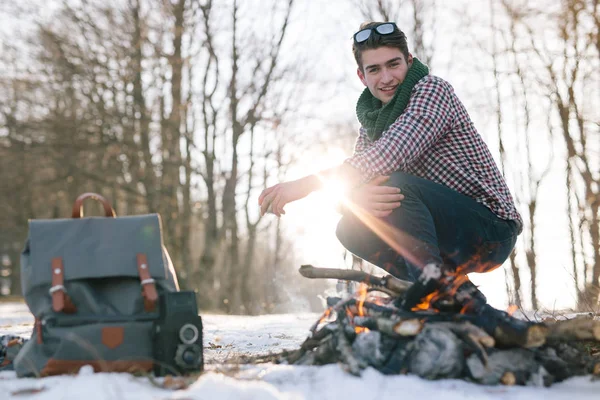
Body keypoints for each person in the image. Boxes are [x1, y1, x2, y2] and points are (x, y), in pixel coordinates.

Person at [258, 21, 522, 312]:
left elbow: (391, 153)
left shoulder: (432, 91)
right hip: (441, 229)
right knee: (352, 227)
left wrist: (306, 185)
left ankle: (429, 288)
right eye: (374, 69)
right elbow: (357, 186)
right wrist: (354, 200)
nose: (386, 78)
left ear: (409, 61)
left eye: (393, 64)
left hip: (490, 229)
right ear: (362, 76)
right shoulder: (372, 124)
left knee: (393, 184)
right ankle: (458, 295)